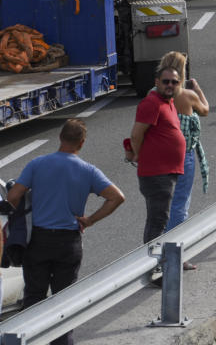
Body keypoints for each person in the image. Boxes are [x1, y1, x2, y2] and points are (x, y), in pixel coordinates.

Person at [3, 119, 124, 345]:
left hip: (38, 240)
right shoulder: (88, 171)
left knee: (34, 297)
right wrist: (89, 220)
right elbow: (117, 197)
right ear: (82, 142)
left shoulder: (37, 164)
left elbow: (12, 196)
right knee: (63, 300)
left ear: (60, 138)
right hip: (69, 242)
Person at [158, 52, 210, 261]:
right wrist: (197, 89)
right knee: (180, 204)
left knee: (162, 206)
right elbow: (205, 110)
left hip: (160, 155)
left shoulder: (154, 93)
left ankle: (157, 249)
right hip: (183, 155)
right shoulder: (187, 96)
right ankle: (175, 255)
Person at [130, 65, 185, 244]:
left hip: (166, 172)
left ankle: (155, 261)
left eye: (174, 82)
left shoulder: (168, 103)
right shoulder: (151, 103)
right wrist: (138, 155)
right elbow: (136, 134)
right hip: (156, 174)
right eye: (165, 81)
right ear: (156, 82)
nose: (170, 85)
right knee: (158, 220)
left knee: (159, 219)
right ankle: (152, 262)